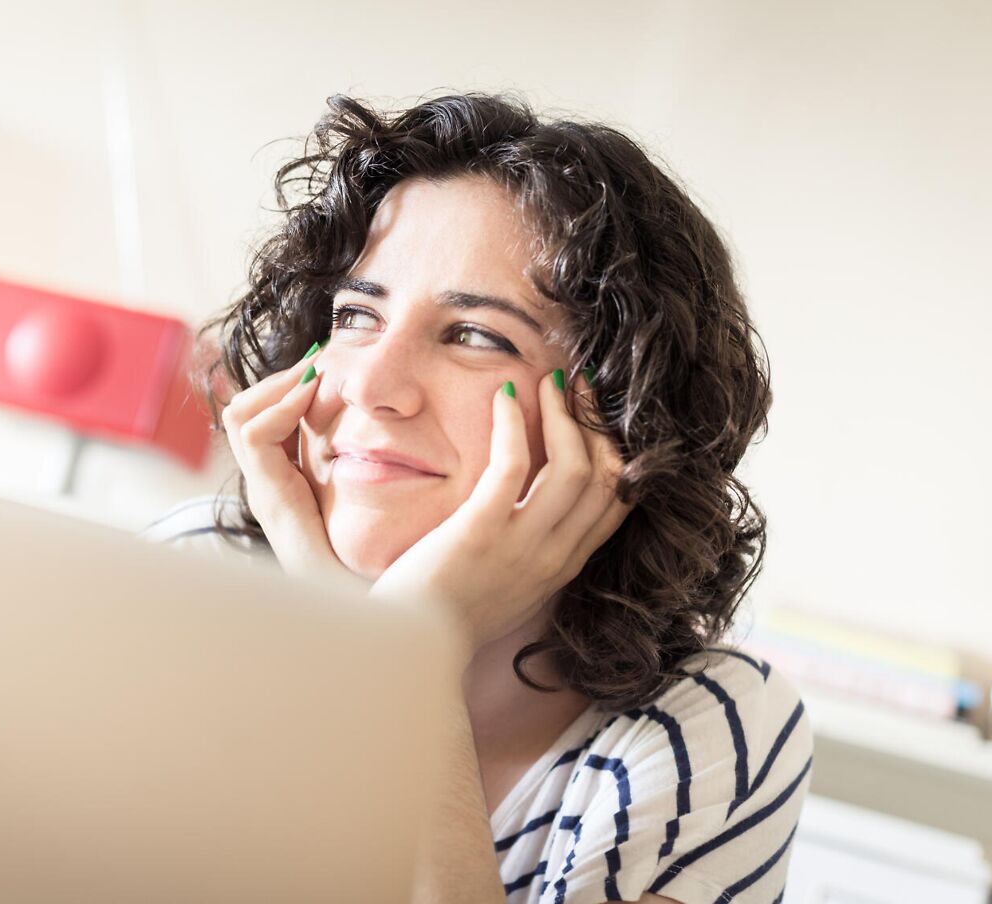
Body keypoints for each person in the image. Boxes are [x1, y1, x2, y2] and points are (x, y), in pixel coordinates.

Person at [142, 92, 813, 904]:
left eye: (475, 336)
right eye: (356, 314)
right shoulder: (188, 580)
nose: (374, 388)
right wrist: (360, 629)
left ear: (617, 415)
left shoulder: (707, 727)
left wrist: (405, 657)